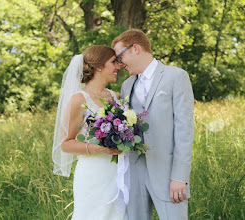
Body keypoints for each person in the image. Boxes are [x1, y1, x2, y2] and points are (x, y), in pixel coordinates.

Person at [112, 29, 194, 220]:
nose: (119, 63)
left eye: (120, 57)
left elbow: (184, 131)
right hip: (134, 175)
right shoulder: (127, 85)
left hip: (167, 175)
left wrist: (179, 177)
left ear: (135, 49)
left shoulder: (176, 77)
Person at [52, 45, 128, 220]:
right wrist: (100, 149)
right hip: (93, 174)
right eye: (113, 62)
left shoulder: (114, 96)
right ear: (99, 66)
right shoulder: (79, 99)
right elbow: (65, 143)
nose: (118, 66)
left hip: (118, 172)